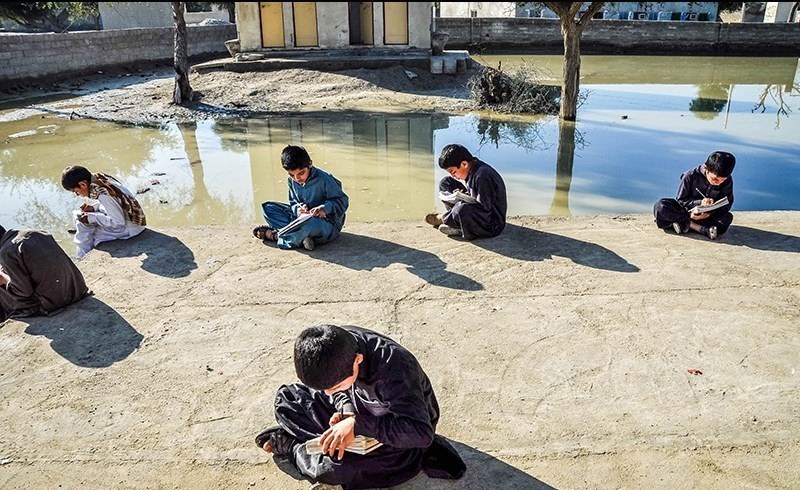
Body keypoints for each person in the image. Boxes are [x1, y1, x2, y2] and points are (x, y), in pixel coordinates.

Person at [255, 324, 465, 490]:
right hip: (358, 412)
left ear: (358, 360)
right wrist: (345, 409)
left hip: (400, 435)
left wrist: (357, 424)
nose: (330, 392)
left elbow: (421, 433)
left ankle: (293, 446)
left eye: (335, 386)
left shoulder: (395, 370)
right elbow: (336, 393)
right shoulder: (339, 343)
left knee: (338, 469)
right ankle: (318, 443)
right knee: (287, 399)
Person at [252, 145, 349, 251]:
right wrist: (298, 210)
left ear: (310, 164)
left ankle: (276, 236)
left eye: (301, 173)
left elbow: (342, 201)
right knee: (268, 208)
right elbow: (293, 202)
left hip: (325, 223)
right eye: (292, 175)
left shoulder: (325, 179)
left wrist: (324, 208)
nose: (297, 178)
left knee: (311, 225)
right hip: (301, 219)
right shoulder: (292, 181)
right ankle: (303, 237)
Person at [0, 224, 90, 322]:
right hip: (77, 289)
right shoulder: (34, 232)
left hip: (56, 302)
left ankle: (6, 319)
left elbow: (24, 292)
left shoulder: (6, 252)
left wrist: (4, 277)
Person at [61, 165, 147, 259]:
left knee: (84, 227)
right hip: (130, 221)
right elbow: (114, 203)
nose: (77, 194)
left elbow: (118, 222)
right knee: (84, 220)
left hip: (130, 228)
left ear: (83, 185)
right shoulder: (99, 180)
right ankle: (83, 254)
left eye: (75, 191)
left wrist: (91, 218)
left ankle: (83, 256)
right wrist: (93, 208)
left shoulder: (103, 194)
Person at [425, 144, 507, 240]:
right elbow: (474, 196)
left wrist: (462, 201)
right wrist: (461, 196)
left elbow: (484, 208)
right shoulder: (472, 168)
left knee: (462, 209)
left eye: (453, 172)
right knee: (446, 183)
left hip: (491, 224)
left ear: (464, 164)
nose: (453, 176)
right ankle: (458, 222)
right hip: (478, 210)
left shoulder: (483, 175)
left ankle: (448, 220)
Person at [653, 151, 736, 240]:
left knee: (727, 218)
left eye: (722, 180)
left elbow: (727, 204)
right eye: (715, 179)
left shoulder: (727, 181)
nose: (718, 183)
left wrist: (709, 211)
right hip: (685, 212)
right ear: (706, 168)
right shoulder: (690, 175)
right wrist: (699, 204)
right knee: (661, 207)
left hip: (706, 216)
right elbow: (681, 200)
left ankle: (681, 224)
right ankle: (698, 228)